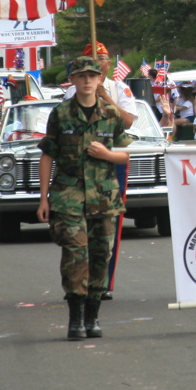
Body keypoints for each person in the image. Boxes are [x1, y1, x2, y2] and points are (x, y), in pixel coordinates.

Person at [36, 56, 131, 340]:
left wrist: (107, 155)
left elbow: (125, 155)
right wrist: (44, 199)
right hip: (68, 195)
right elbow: (47, 155)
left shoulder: (111, 114)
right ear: (73, 81)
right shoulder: (61, 113)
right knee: (76, 254)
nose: (88, 80)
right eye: (81, 76)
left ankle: (93, 317)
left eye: (92, 75)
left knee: (101, 255)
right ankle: (75, 318)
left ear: (100, 79)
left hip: (103, 196)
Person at [62, 41, 137, 302]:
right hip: (78, 170)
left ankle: (103, 282)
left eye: (103, 58)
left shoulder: (120, 89)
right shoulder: (69, 94)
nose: (100, 62)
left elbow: (128, 122)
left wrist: (104, 97)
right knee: (75, 231)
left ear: (108, 64)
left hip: (110, 165)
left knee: (108, 228)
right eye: (93, 59)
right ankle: (78, 283)